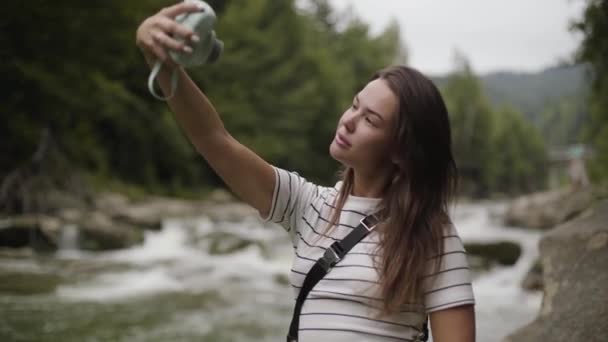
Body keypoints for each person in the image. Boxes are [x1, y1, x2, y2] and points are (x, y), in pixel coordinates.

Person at [135, 2, 476, 341]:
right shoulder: (309, 206)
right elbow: (214, 139)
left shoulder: (433, 238)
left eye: (370, 120)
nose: (348, 121)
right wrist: (161, 63)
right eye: (355, 105)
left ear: (402, 152)